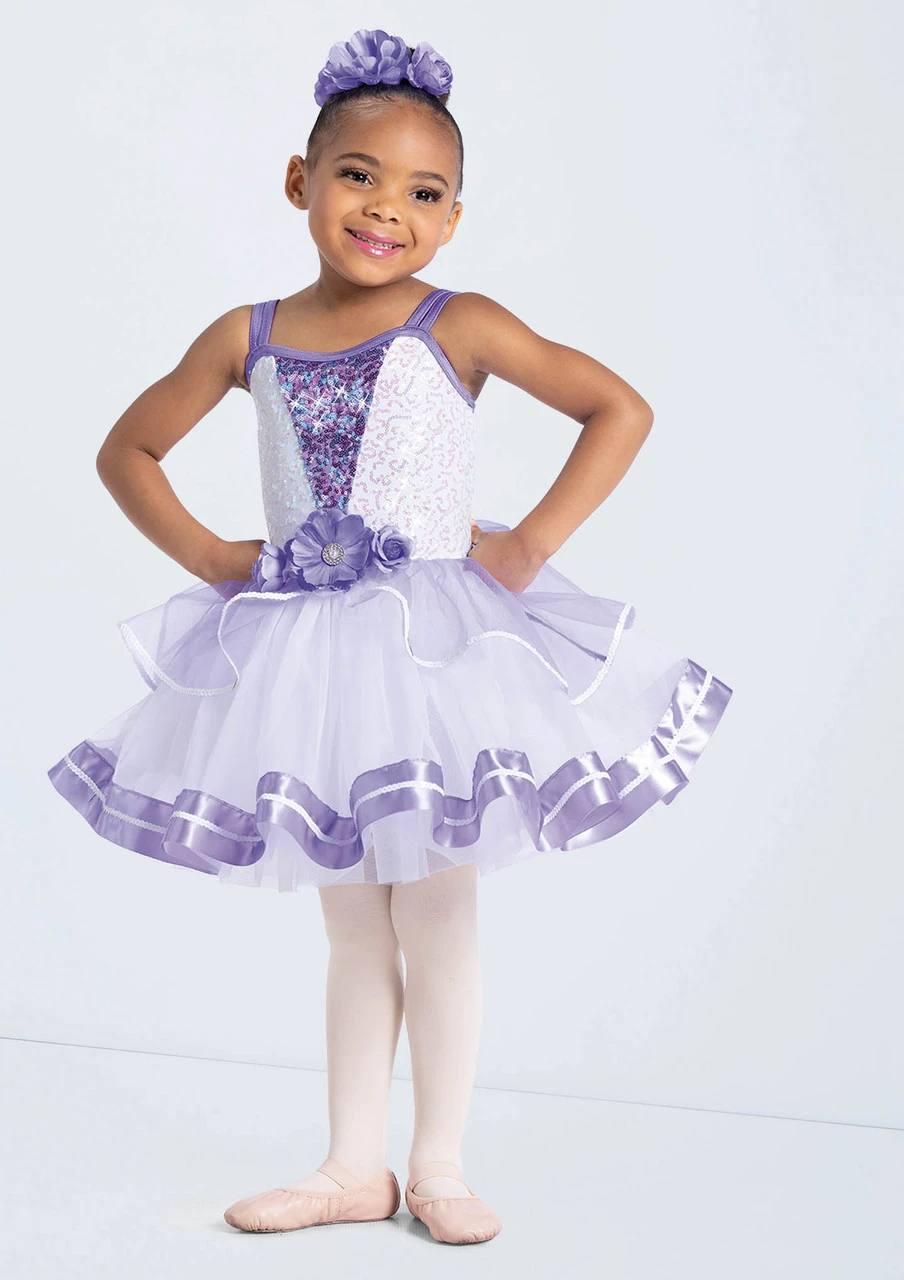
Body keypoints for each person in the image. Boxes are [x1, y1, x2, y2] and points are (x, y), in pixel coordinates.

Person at [47, 28, 733, 1246]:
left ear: (453, 218)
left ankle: (441, 1162)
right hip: (305, 659)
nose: (385, 209)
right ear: (300, 180)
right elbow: (127, 448)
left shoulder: (459, 324)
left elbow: (615, 407)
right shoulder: (247, 333)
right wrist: (211, 555)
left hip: (435, 654)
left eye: (423, 192)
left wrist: (527, 545)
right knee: (352, 920)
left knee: (436, 911)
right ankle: (348, 1165)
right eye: (358, 175)